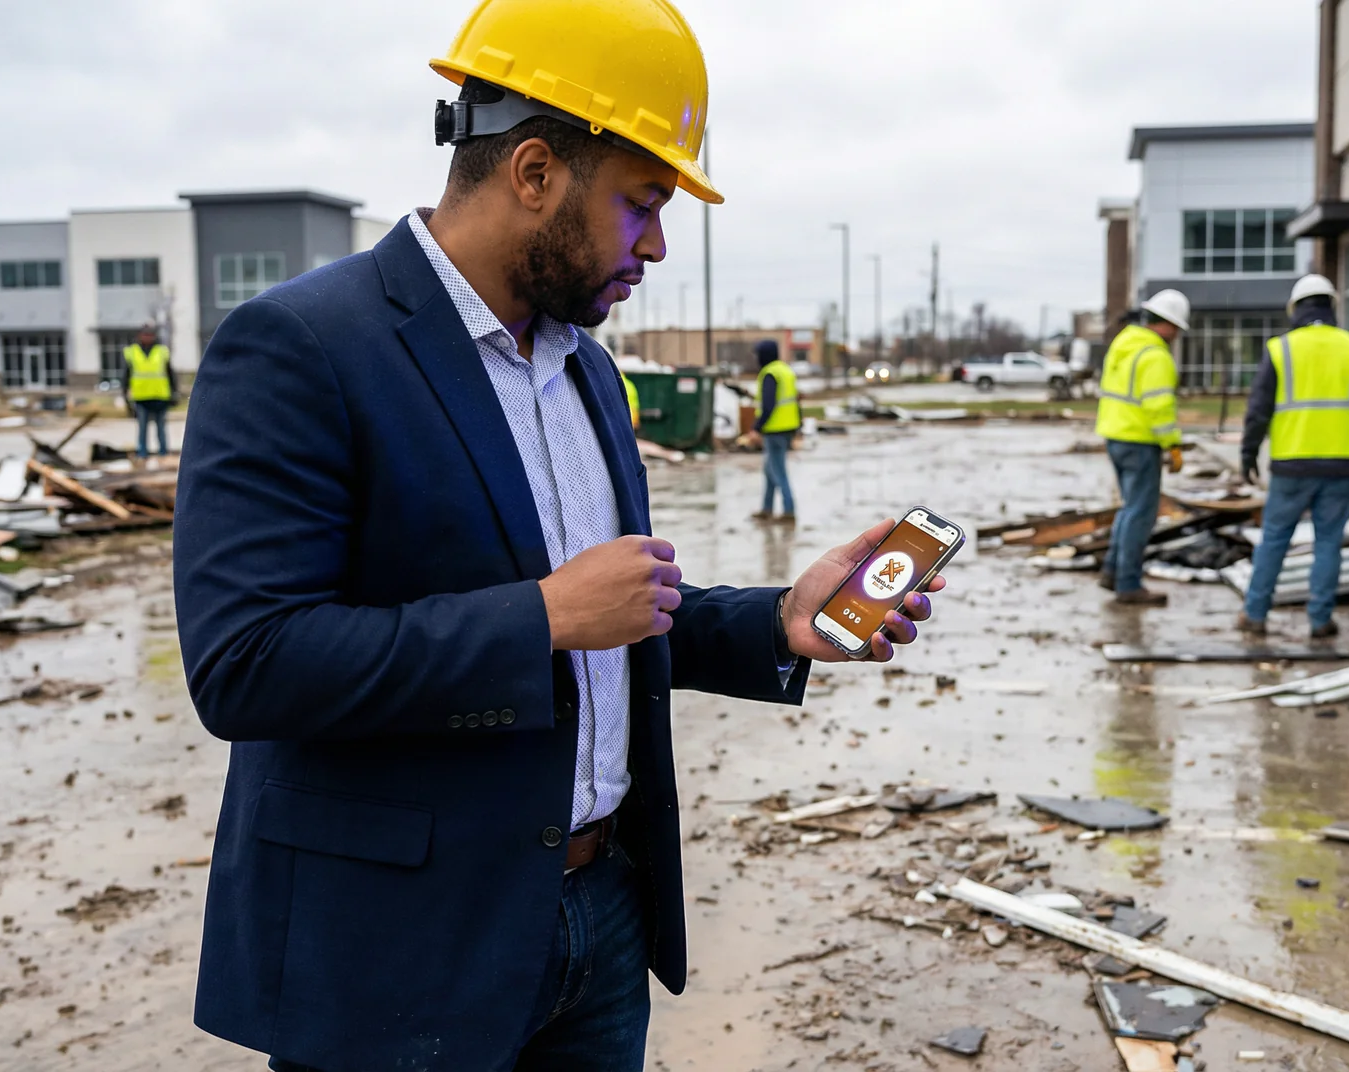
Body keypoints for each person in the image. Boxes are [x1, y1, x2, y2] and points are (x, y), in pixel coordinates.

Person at [171, 3, 944, 1070]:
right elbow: (246, 665)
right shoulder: (303, 347)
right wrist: (539, 616)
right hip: (400, 953)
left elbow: (609, 617)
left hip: (598, 920)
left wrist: (777, 618)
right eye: (643, 203)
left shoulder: (583, 366)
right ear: (535, 173)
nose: (660, 244)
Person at [1237, 274, 1349, 639]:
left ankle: (1255, 614)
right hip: (1339, 464)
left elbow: (1258, 410)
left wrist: (1248, 453)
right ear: (1332, 306)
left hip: (1291, 463)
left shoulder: (1281, 349)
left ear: (1296, 309)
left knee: (1274, 539)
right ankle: (1320, 620)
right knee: (1328, 544)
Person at [1095, 289, 1190, 606]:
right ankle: (1128, 584)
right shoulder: (1155, 355)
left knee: (1129, 509)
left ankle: (1113, 571)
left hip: (1116, 436)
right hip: (1140, 441)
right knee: (1141, 513)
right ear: (1165, 324)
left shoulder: (1124, 344)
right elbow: (1159, 407)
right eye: (1176, 327)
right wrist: (1172, 445)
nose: (1176, 335)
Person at [751, 338, 800, 524]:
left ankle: (789, 511)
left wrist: (756, 428)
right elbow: (795, 401)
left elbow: (768, 405)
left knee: (778, 471)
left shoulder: (770, 373)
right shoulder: (786, 371)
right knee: (769, 470)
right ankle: (767, 508)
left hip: (774, 430)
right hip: (787, 427)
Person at [123, 324, 177, 463]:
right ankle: (142, 453)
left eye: (150, 334)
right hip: (141, 396)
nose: (147, 337)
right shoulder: (132, 351)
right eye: (145, 334)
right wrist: (125, 394)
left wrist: (174, 392)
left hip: (160, 395)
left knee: (161, 427)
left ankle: (163, 452)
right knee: (142, 427)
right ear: (140, 336)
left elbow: (170, 373)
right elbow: (126, 375)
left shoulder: (162, 351)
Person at [619, 368, 641, 433]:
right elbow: (636, 401)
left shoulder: (615, 384)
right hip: (632, 411)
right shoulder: (630, 384)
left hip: (621, 411)